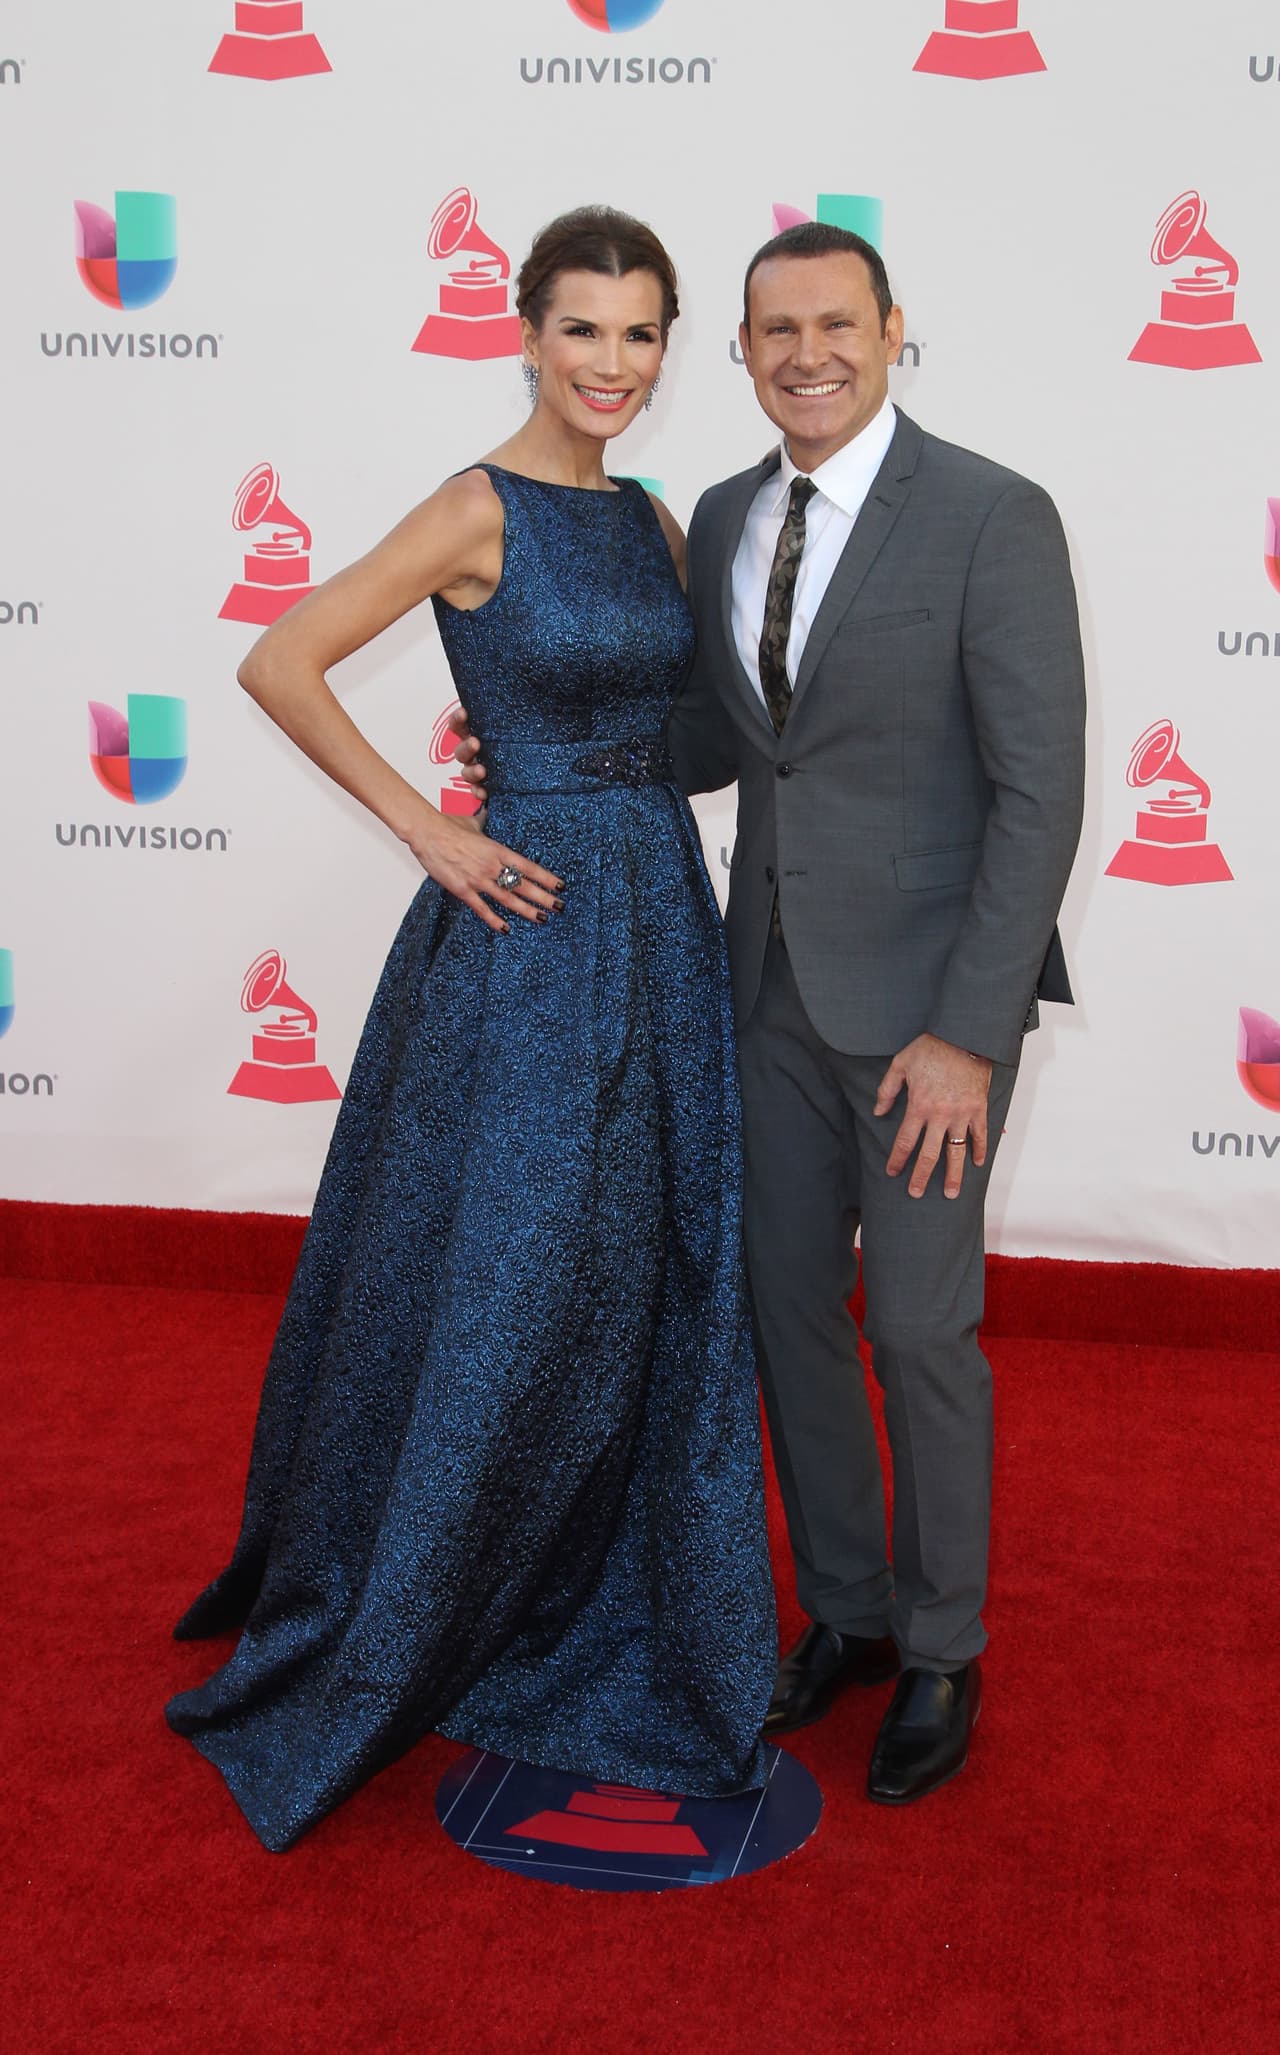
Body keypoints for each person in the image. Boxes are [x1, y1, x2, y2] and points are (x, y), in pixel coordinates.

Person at [165, 206, 777, 1854]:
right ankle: (431, 1586)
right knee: (514, 1268)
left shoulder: (651, 517)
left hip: (659, 910)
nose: (610, 365)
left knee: (644, 1257)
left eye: (640, 335)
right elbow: (282, 659)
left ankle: (614, 1581)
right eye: (582, 329)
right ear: (525, 334)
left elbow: (697, 726)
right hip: (527, 930)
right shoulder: (474, 508)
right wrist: (429, 827)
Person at [457, 220, 1086, 1805]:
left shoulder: (993, 515)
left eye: (835, 324)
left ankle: (942, 1648)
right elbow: (722, 743)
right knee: (787, 1315)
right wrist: (551, 748)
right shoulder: (727, 514)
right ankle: (853, 1617)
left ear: (890, 329)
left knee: (920, 1332)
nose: (807, 354)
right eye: (774, 331)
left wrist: (970, 1035)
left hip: (928, 1018)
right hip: (762, 991)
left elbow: (1041, 798)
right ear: (738, 353)